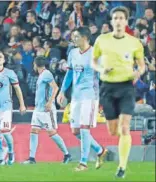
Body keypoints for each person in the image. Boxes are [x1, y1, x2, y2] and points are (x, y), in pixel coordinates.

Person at [91, 6, 145, 178]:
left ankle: (122, 167)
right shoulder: (102, 40)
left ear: (126, 21)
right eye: (115, 18)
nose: (118, 21)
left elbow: (142, 64)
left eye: (121, 18)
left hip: (126, 87)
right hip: (107, 87)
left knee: (124, 128)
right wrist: (101, 69)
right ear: (112, 21)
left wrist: (139, 72)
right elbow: (93, 61)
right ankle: (116, 157)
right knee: (113, 131)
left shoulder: (134, 42)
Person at [57, 27, 107, 171]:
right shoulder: (72, 53)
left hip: (90, 95)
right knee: (75, 131)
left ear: (85, 37)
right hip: (76, 95)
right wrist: (62, 91)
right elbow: (69, 74)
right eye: (73, 36)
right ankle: (100, 150)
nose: (74, 39)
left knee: (85, 128)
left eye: (76, 36)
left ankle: (83, 163)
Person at [23, 56, 71, 164]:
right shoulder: (41, 75)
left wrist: (50, 102)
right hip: (38, 109)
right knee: (33, 131)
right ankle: (31, 158)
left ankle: (67, 154)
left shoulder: (47, 74)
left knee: (52, 132)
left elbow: (55, 88)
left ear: (35, 64)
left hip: (46, 110)